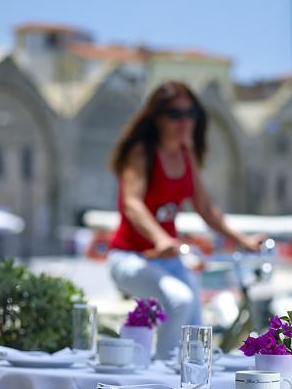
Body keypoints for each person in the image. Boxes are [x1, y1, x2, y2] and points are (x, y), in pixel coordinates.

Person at [108, 81, 263, 359]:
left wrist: (243, 241)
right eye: (175, 114)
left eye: (190, 114)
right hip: (130, 257)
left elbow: (205, 208)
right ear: (157, 117)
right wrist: (161, 238)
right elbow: (132, 203)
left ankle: (188, 378)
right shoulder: (142, 152)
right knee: (180, 300)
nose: (185, 122)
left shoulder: (186, 154)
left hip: (167, 259)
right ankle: (164, 375)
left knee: (196, 329)